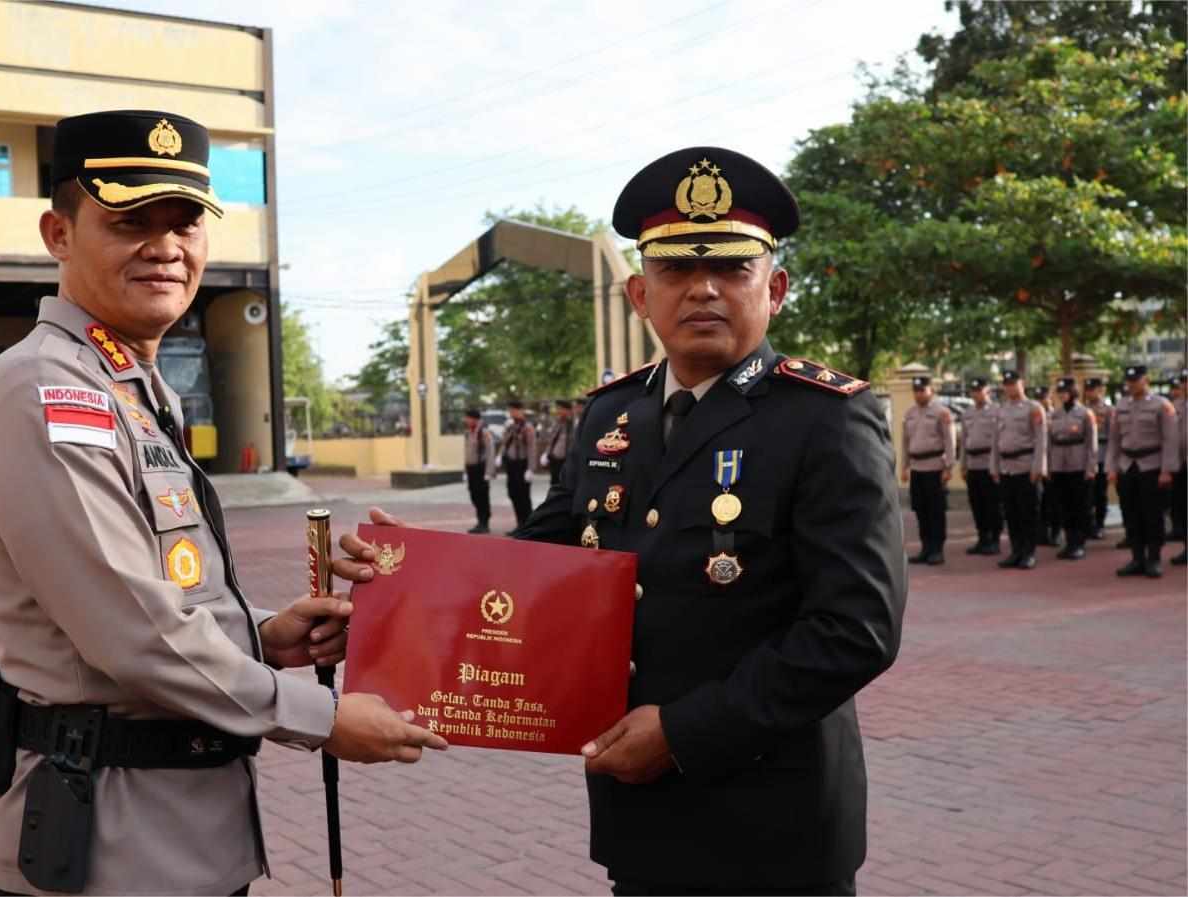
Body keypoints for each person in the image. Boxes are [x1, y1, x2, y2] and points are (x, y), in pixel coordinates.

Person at [337, 147, 906, 895]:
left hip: (775, 820)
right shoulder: (613, 412)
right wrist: (407, 577)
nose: (702, 288)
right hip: (640, 811)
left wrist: (682, 733)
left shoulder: (825, 419)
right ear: (641, 293)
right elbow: (542, 559)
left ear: (777, 289)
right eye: (675, 270)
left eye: (732, 268)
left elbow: (856, 628)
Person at [0, 110, 446, 897]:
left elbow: (158, 600)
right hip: (109, 851)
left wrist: (264, 636)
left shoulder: (134, 388)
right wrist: (320, 717)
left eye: (184, 223)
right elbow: (133, 634)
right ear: (58, 233)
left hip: (177, 835)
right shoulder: (46, 393)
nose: (165, 246)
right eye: (129, 221)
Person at [1107, 364, 1180, 578]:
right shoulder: (1120, 406)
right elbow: (1114, 440)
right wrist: (1112, 467)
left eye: (1135, 381)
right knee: (1130, 514)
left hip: (1152, 465)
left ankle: (1154, 558)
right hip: (1127, 466)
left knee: (1153, 514)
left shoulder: (1161, 405)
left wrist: (1167, 470)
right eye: (1129, 381)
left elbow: (1170, 440)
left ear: (1145, 380)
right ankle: (1137, 558)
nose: (1131, 385)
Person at [990, 370, 1047, 569]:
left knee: (1028, 512)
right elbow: (996, 441)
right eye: (1006, 384)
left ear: (1022, 383)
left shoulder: (1034, 408)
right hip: (1006, 468)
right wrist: (994, 466)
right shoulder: (1001, 410)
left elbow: (1041, 440)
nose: (1010, 387)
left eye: (1013, 383)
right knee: (1011, 512)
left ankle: (1029, 552)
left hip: (1026, 466)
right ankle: (1016, 551)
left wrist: (1038, 467)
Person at [900, 375, 953, 564]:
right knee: (920, 510)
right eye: (916, 391)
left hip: (935, 467)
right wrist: (904, 466)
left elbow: (949, 441)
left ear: (931, 390)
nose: (918, 394)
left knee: (935, 511)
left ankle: (937, 550)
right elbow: (905, 442)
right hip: (917, 468)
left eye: (922, 390)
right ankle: (925, 548)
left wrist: (948, 467)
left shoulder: (942, 412)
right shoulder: (910, 413)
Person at [1046, 377, 1097, 560]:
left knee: (1080, 506)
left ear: (1074, 392)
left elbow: (1092, 443)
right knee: (1064, 505)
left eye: (1066, 391)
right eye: (1060, 392)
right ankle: (1069, 541)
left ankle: (1079, 543)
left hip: (1078, 464)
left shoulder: (1085, 413)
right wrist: (1049, 466)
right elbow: (1049, 443)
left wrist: (1091, 467)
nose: (1062, 395)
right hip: (1059, 465)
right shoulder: (1054, 414)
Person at [959, 377, 1003, 555]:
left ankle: (994, 539)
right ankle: (982, 538)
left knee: (992, 504)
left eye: (979, 391)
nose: (976, 394)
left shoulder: (997, 411)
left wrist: (997, 465)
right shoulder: (967, 413)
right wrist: (963, 464)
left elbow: (1000, 441)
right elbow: (963, 441)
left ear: (988, 392)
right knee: (977, 504)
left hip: (989, 463)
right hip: (973, 463)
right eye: (973, 391)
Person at [498, 398, 536, 526]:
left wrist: (531, 468)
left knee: (523, 496)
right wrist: (499, 456)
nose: (511, 413)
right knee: (513, 493)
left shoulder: (527, 428)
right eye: (510, 411)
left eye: (514, 410)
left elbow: (531, 448)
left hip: (522, 465)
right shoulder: (510, 426)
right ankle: (520, 523)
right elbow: (504, 443)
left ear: (521, 411)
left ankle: (528, 524)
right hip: (511, 465)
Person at [1083, 377, 1113, 539]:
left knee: (1100, 493)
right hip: (1086, 456)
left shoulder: (1108, 411)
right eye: (1087, 390)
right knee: (1086, 494)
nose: (1089, 393)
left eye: (1092, 389)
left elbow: (1112, 436)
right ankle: (1089, 525)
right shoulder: (1082, 409)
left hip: (1102, 454)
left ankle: (1100, 524)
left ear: (1100, 390)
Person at [1032, 385, 1061, 547]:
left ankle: (1055, 533)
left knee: (1054, 501)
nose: (1040, 402)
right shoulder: (1033, 416)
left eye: (1043, 398)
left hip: (1054, 464)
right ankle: (1041, 533)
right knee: (1039, 502)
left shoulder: (1055, 416)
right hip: (1037, 464)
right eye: (1038, 399)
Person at [464, 407, 495, 533]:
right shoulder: (469, 432)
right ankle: (479, 521)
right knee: (474, 495)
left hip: (481, 469)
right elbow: (466, 452)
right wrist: (464, 471)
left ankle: (484, 522)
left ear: (474, 419)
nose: (466, 420)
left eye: (468, 418)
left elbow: (490, 452)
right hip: (471, 469)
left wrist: (489, 472)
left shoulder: (484, 432)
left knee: (482, 496)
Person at [540, 398, 576, 486]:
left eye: (560, 409)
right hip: (555, 460)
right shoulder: (557, 423)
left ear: (567, 410)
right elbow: (550, 439)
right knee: (554, 484)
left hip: (566, 461)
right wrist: (546, 453)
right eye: (558, 408)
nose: (558, 411)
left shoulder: (573, 424)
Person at [1172, 371, 1188, 566]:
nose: (1185, 385)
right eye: (1183, 382)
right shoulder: (1174, 407)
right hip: (1180, 465)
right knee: (1182, 508)